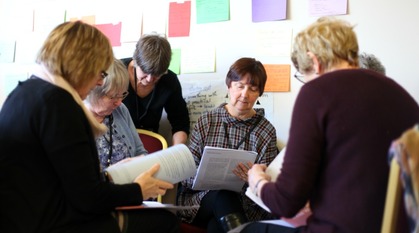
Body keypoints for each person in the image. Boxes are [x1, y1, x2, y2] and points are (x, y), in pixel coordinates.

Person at [0, 21, 179, 233]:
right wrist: (138, 190)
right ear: (83, 65)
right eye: (101, 74)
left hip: (23, 216)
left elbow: (71, 178)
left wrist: (113, 176)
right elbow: (89, 199)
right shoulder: (60, 105)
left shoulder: (22, 93)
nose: (98, 83)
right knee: (166, 222)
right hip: (48, 222)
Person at [243, 17, 419, 233]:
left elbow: (286, 203)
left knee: (248, 230)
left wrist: (257, 181)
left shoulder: (317, 93)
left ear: (314, 61)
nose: (306, 82)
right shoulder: (400, 95)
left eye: (303, 74)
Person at [177, 57, 279, 233]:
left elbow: (268, 185)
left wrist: (252, 180)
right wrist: (203, 177)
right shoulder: (207, 121)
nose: (245, 95)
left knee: (216, 226)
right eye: (240, 86)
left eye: (253, 89)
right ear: (229, 86)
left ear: (259, 93)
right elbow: (185, 174)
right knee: (222, 196)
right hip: (202, 200)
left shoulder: (266, 131)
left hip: (245, 204)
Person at [121, 33, 190, 145]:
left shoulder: (169, 80)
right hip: (117, 142)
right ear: (135, 61)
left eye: (157, 75)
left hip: (150, 144)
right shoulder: (116, 72)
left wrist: (176, 151)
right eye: (145, 72)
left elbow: (180, 122)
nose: (149, 79)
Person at [85, 58, 148, 170]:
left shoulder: (120, 110)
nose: (119, 102)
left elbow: (140, 151)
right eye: (113, 96)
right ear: (93, 92)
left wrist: (144, 161)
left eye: (122, 94)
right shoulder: (75, 120)